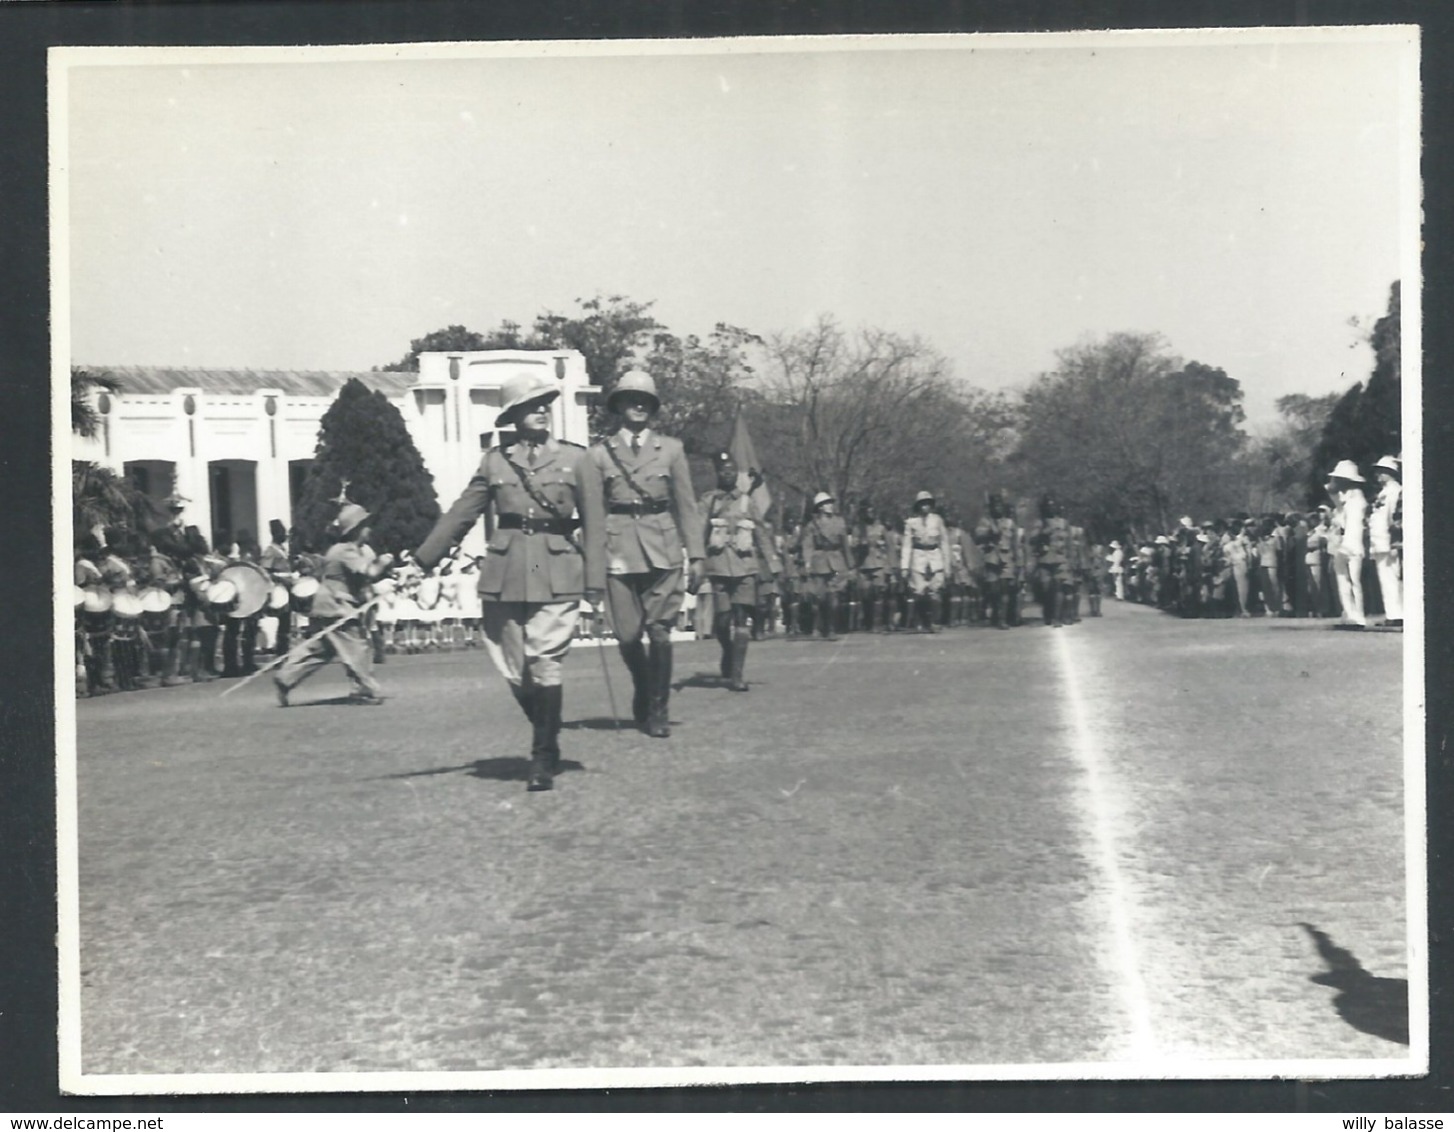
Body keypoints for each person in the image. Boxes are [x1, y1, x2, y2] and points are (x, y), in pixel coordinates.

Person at [414, 372, 604, 789]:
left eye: (545, 403)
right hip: (507, 570)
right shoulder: (495, 462)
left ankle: (540, 758)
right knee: (514, 667)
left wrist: (595, 579)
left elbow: (594, 521)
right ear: (513, 415)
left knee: (544, 659)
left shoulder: (577, 459)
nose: (541, 410)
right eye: (531, 405)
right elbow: (462, 513)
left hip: (552, 567)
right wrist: (421, 560)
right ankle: (549, 738)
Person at [586, 371, 702, 738]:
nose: (638, 405)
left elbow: (687, 505)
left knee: (661, 633)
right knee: (628, 637)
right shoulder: (598, 455)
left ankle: (658, 709)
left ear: (652, 408)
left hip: (663, 548)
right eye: (630, 398)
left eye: (645, 400)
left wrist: (696, 554)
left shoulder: (671, 449)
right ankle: (644, 683)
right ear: (619, 406)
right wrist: (591, 571)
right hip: (618, 549)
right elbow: (593, 515)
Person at [274, 501, 395, 708]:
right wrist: (385, 562)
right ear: (356, 529)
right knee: (358, 646)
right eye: (366, 524)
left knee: (321, 649)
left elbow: (371, 576)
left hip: (332, 604)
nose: (370, 528)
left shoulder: (361, 550)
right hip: (336, 604)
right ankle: (365, 688)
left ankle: (286, 677)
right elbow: (371, 572)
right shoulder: (343, 551)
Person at [698, 452, 780, 692]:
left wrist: (773, 562)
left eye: (732, 470)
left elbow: (761, 533)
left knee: (741, 618)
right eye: (723, 470)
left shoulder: (747, 501)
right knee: (723, 621)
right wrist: (696, 562)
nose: (728, 474)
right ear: (717, 473)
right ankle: (728, 650)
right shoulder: (709, 502)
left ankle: (737, 675)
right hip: (719, 568)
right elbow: (698, 532)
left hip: (745, 567)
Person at [794, 491, 854, 641]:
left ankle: (832, 628)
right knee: (818, 597)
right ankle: (816, 627)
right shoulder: (813, 524)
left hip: (836, 559)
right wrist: (807, 562)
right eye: (826, 503)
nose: (830, 506)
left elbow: (845, 545)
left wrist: (850, 564)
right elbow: (807, 545)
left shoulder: (840, 522)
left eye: (830, 503)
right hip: (819, 561)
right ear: (819, 507)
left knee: (833, 596)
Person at [1327, 459, 1369, 629]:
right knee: (1342, 580)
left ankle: (1359, 616)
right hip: (1342, 545)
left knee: (1354, 581)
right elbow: (1330, 489)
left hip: (1353, 545)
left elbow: (1354, 526)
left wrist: (1347, 546)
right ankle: (1349, 614)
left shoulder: (1357, 499)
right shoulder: (1343, 498)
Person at [901, 490, 948, 633]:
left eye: (928, 504)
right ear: (917, 506)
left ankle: (935, 622)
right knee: (919, 591)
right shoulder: (911, 523)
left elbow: (944, 542)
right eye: (922, 504)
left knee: (935, 591)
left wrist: (947, 565)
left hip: (935, 558)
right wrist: (904, 567)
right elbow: (907, 545)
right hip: (918, 558)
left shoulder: (937, 520)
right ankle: (920, 621)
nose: (925, 507)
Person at [1369, 455, 1402, 627]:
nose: (1378, 475)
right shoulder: (1384, 492)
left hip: (1388, 541)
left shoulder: (1394, 491)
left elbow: (1394, 518)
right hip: (1379, 542)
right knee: (1385, 578)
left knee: (1391, 577)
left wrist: (1395, 541)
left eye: (1382, 471)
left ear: (1390, 472)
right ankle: (1392, 613)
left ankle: (1397, 614)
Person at [854, 501, 898, 632]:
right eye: (867, 512)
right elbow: (853, 545)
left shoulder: (881, 528)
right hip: (863, 564)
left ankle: (877, 623)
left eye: (872, 512)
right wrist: (861, 544)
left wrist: (892, 566)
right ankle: (866, 622)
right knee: (866, 594)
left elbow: (890, 548)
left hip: (879, 563)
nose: (870, 514)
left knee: (879, 593)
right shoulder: (858, 528)